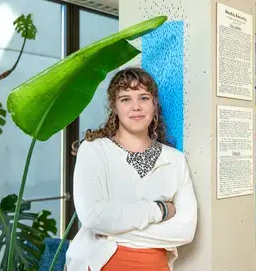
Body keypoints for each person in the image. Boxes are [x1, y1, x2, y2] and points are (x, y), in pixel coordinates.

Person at [65, 67, 198, 271]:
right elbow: (93, 217)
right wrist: (160, 210)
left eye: (143, 98)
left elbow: (185, 230)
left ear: (154, 104)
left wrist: (112, 231)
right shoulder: (94, 150)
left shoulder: (175, 160)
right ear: (114, 107)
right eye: (126, 99)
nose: (136, 106)